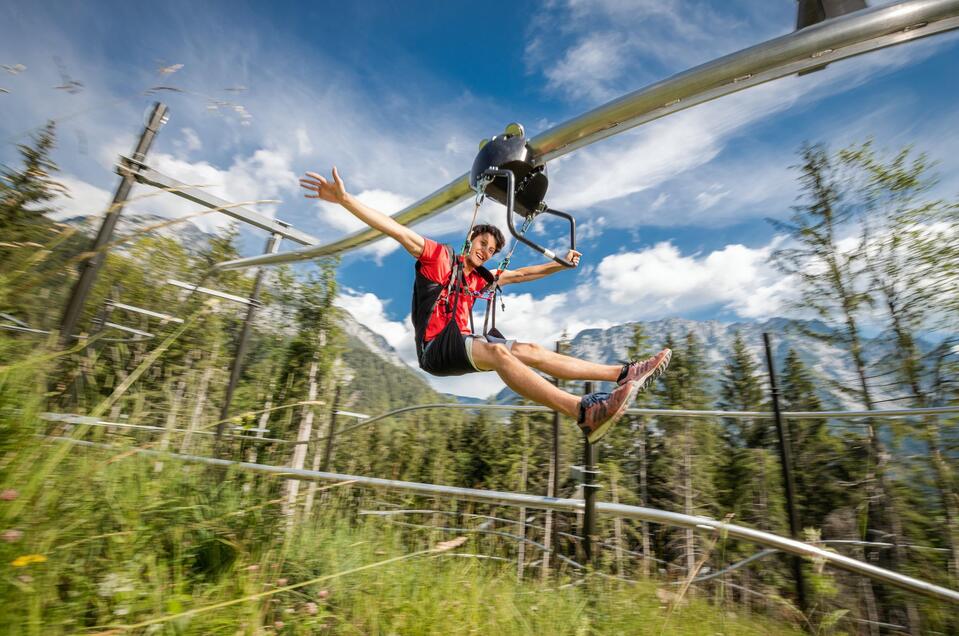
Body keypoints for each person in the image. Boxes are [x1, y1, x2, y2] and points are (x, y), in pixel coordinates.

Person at [300, 168, 671, 443]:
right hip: (435, 347)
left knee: (528, 349)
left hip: (460, 342)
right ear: (470, 237)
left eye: (492, 251)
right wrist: (345, 200)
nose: (485, 252)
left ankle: (622, 374)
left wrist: (561, 262)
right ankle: (584, 411)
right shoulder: (437, 257)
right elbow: (394, 228)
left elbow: (523, 275)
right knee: (499, 353)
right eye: (482, 245)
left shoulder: (481, 278)